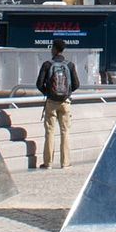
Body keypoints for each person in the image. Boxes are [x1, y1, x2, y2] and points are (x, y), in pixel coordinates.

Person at [35, 40, 79, 169]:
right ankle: (65, 163)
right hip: (65, 103)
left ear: (54, 49)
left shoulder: (47, 65)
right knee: (65, 132)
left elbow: (39, 84)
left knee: (50, 132)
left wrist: (49, 93)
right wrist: (66, 94)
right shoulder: (69, 65)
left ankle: (48, 163)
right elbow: (76, 84)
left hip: (51, 103)